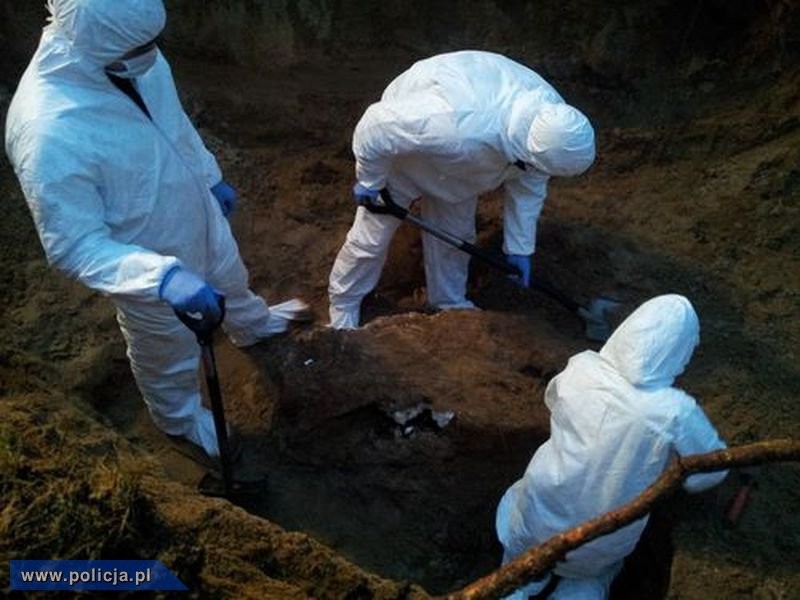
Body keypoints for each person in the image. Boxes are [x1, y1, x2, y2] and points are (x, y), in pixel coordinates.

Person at [5, 0, 310, 463]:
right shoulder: (48, 130)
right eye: (142, 46)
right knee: (166, 350)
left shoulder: (129, 53)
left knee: (232, 277)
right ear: (103, 43)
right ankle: (180, 418)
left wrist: (209, 175)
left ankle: (251, 326)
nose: (155, 53)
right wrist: (162, 278)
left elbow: (174, 123)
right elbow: (73, 245)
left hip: (198, 212)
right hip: (147, 259)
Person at [328, 50, 596, 329]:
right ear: (528, 151)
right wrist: (370, 181)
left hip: (465, 169)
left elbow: (529, 187)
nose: (543, 174)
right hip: (409, 153)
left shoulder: (555, 126)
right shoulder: (456, 125)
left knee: (455, 237)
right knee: (371, 238)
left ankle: (447, 302)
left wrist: (519, 247)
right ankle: (344, 304)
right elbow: (376, 126)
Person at [495, 294, 728, 599]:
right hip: (600, 544)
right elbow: (710, 472)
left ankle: (519, 587)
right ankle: (577, 590)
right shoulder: (674, 411)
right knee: (590, 578)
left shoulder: (582, 368)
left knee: (518, 569)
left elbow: (553, 402)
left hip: (536, 516)